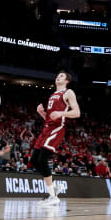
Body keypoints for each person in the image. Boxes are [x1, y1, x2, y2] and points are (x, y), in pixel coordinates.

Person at [31, 71, 80, 207]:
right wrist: (42, 113)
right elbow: (49, 118)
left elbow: (77, 112)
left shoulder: (68, 92)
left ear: (67, 81)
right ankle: (54, 188)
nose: (58, 76)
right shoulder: (53, 95)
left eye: (62, 76)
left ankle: (52, 196)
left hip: (57, 129)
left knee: (42, 159)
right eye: (58, 75)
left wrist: (61, 113)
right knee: (34, 160)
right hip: (46, 129)